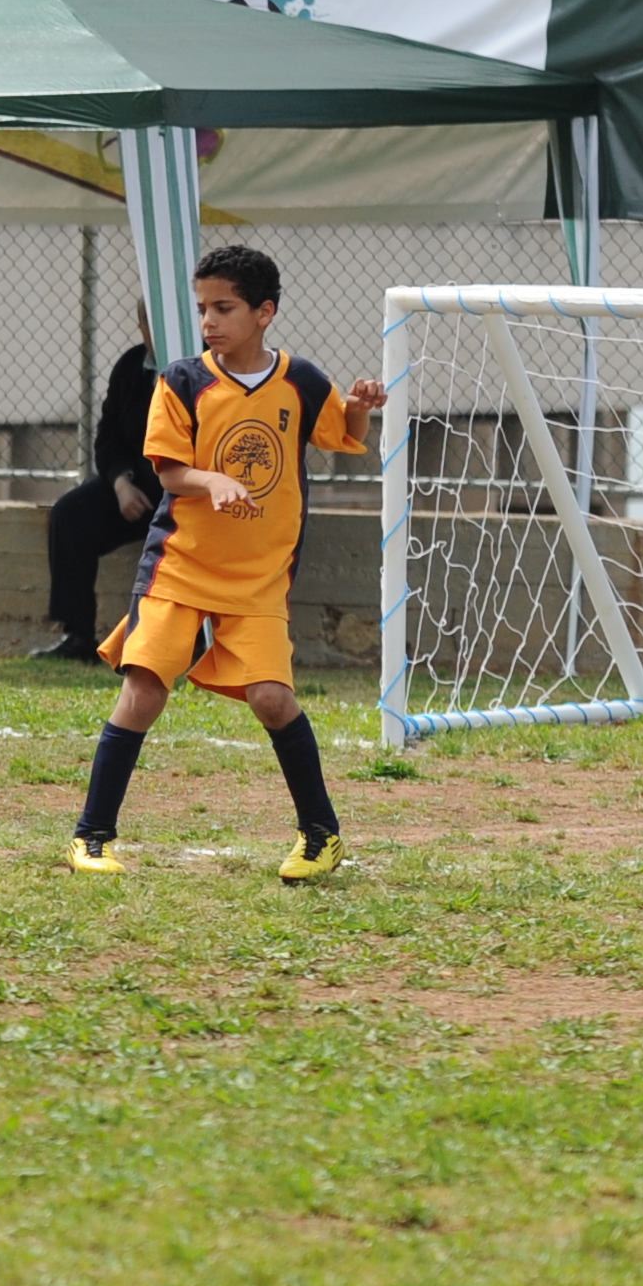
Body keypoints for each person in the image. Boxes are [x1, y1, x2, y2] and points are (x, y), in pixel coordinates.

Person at [64, 246, 385, 881]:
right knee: (145, 689)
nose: (209, 320)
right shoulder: (181, 381)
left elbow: (342, 434)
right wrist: (209, 480)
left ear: (264, 312)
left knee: (271, 697)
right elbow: (171, 472)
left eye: (225, 308)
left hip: (259, 578)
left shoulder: (301, 381)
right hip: (178, 566)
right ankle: (91, 837)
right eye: (203, 308)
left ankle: (322, 836)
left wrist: (359, 405)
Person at [33, 311, 159, 663]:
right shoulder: (132, 366)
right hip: (135, 489)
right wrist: (122, 485)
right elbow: (107, 440)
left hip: (184, 494)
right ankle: (77, 636)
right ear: (141, 327)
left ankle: (193, 643)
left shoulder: (207, 368)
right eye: (151, 322)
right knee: (70, 514)